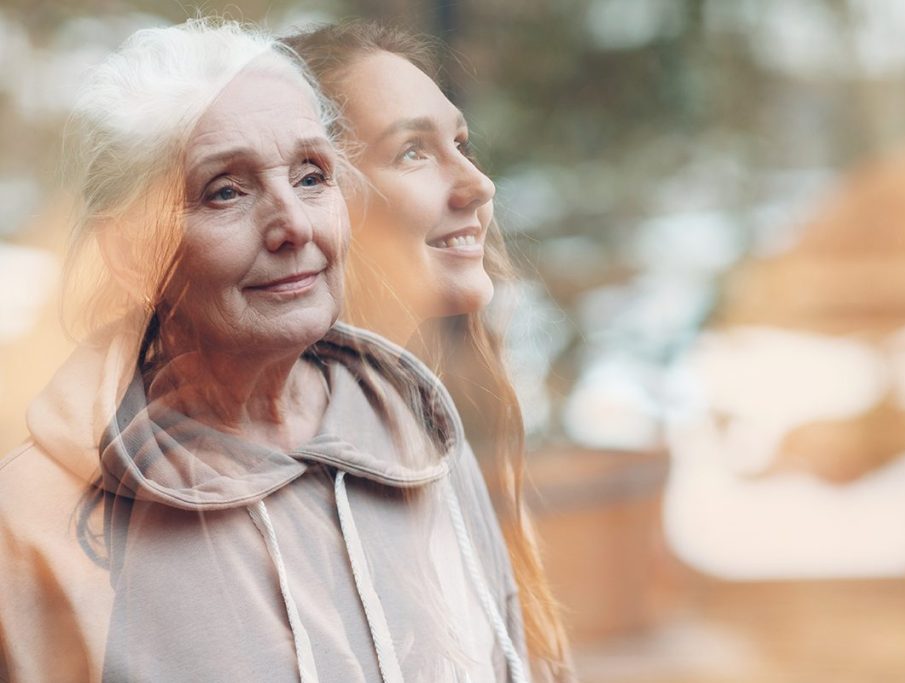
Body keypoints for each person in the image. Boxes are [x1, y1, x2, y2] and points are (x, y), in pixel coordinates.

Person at [0, 19, 531, 682]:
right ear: (135, 253)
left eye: (312, 176)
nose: (294, 225)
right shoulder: (28, 520)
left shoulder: (416, 431)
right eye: (226, 189)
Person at [284, 22, 573, 681]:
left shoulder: (437, 441)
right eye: (413, 151)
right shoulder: (274, 488)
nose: (477, 184)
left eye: (461, 143)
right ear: (308, 196)